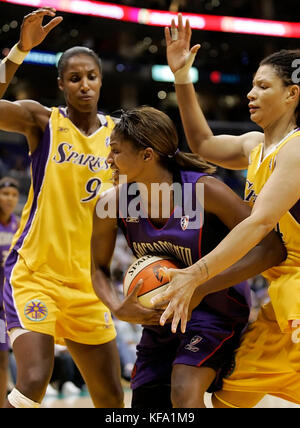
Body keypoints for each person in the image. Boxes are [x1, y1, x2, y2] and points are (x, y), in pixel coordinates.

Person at [91, 105, 286, 408]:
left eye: (115, 151)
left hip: (215, 311)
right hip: (160, 319)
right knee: (146, 405)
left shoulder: (203, 191)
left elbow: (271, 248)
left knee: (183, 392)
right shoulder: (113, 203)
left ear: (147, 154)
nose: (108, 160)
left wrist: (200, 285)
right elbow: (97, 268)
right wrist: (118, 307)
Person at [151, 14, 300, 407]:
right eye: (252, 84)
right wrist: (183, 76)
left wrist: (195, 275)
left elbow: (261, 222)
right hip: (280, 296)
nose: (251, 93)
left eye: (263, 86)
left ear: (292, 94)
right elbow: (201, 142)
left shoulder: (298, 149)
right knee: (229, 396)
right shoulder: (255, 145)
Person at [0, 7, 142, 408]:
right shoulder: (41, 121)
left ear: (101, 81)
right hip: (35, 273)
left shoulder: (121, 136)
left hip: (88, 286)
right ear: (61, 84)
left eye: (91, 77)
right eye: (74, 78)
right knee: (31, 384)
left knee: (113, 399)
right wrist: (18, 52)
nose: (84, 85)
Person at [0, 177, 20, 407]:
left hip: (2, 309)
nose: (9, 199)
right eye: (5, 194)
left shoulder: (17, 225)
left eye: (14, 195)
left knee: (2, 359)